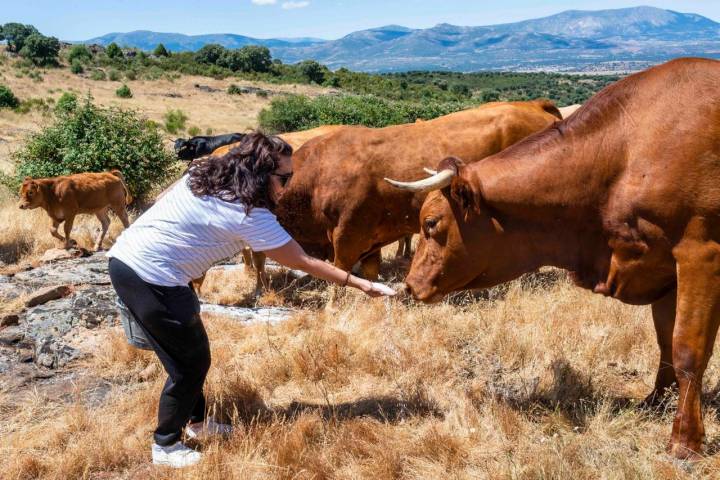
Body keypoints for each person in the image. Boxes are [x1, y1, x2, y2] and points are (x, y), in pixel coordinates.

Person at [106, 132, 395, 468]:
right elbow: (303, 262)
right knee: (189, 365)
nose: (287, 186)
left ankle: (197, 424)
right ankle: (166, 444)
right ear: (258, 174)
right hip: (152, 276)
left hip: (128, 258)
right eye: (283, 178)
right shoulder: (248, 214)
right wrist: (363, 285)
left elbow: (165, 200)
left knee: (188, 354)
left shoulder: (203, 174)